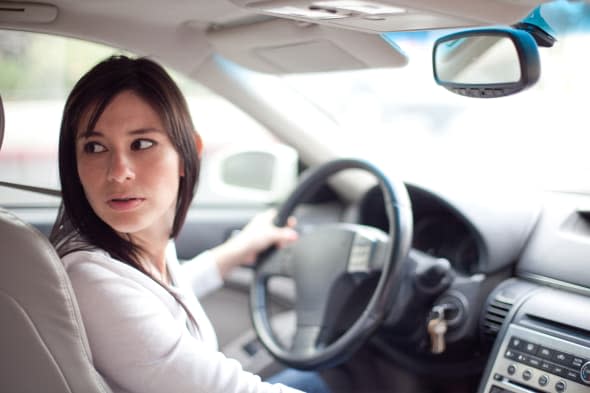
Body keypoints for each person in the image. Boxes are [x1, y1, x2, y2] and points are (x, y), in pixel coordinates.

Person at [49, 55, 329, 393]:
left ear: (188, 154)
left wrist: (235, 251)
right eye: (94, 147)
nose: (118, 170)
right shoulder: (93, 282)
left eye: (141, 144)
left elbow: (159, 299)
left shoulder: (142, 243)